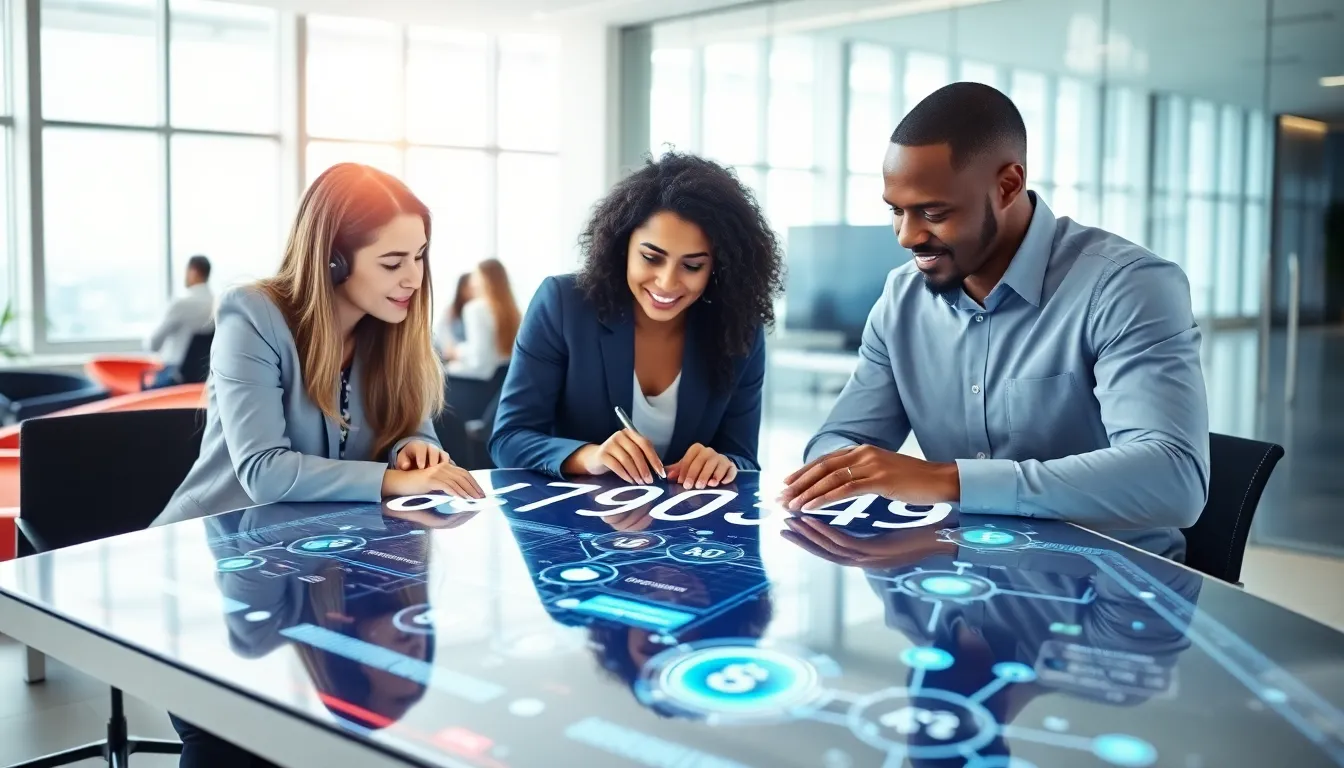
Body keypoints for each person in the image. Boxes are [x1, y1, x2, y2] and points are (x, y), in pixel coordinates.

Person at [779, 82, 1210, 530]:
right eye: (896, 211)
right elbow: (838, 438)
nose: (906, 236)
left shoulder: (1127, 287)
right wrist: (844, 468)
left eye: (934, 212)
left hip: (1106, 583)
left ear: (1007, 186)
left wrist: (951, 481)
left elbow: (1173, 480)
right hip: (958, 572)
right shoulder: (901, 298)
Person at [155, 162, 485, 532]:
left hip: (321, 542)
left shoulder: (396, 329)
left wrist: (411, 448)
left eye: (419, 256)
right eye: (392, 263)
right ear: (333, 261)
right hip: (222, 543)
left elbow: (412, 427)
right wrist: (394, 480)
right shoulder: (253, 316)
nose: (414, 279)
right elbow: (264, 471)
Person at [488, 151, 784, 488]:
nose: (667, 282)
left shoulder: (738, 329)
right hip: (574, 527)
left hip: (685, 530)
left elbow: (744, 459)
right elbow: (508, 440)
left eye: (692, 265)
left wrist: (723, 463)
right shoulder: (563, 304)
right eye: (651, 258)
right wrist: (590, 457)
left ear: (717, 267)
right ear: (622, 246)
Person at [440, 258, 521, 380]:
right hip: (502, 380)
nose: (472, 282)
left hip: (481, 383)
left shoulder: (476, 309)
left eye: (475, 277)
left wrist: (456, 352)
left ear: (483, 280)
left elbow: (479, 360)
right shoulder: (514, 311)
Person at [145, 254, 214, 388]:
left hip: (174, 377)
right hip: (203, 379)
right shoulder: (217, 305)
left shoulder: (181, 305)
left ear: (193, 272)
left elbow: (153, 345)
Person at [434, 271, 474, 356]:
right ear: (462, 288)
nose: (472, 290)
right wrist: (451, 351)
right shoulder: (451, 310)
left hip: (465, 354)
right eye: (470, 287)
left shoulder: (477, 310)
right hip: (451, 354)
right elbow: (444, 335)